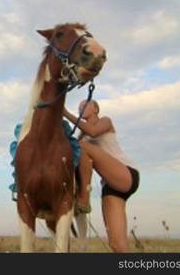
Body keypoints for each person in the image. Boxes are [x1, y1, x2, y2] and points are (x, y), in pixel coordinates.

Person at [63, 99, 140, 252]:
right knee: (117, 245)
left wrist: (65, 113)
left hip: (125, 174)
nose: (80, 108)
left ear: (96, 109)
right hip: (110, 187)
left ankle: (84, 199)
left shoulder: (105, 121)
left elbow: (93, 132)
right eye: (79, 108)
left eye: (85, 105)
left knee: (81, 146)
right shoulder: (81, 136)